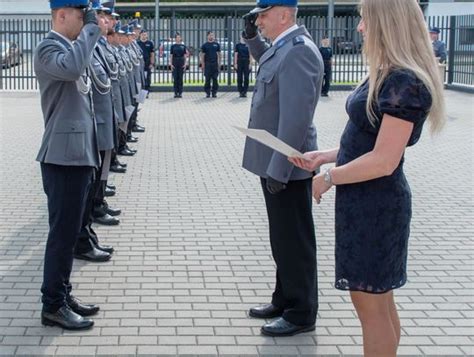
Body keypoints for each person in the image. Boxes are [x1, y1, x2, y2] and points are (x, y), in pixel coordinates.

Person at [290, 0, 445, 355]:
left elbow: (383, 160)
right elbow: (366, 139)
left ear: (387, 23)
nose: (360, 28)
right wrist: (326, 155)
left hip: (376, 204)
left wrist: (329, 177)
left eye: (364, 20)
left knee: (372, 307)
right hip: (365, 201)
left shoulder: (403, 81)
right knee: (379, 303)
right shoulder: (392, 73)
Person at [241, 0, 324, 337]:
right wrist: (251, 39)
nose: (258, 20)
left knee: (294, 239)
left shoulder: (300, 51)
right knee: (282, 236)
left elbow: (295, 119)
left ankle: (301, 311)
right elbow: (270, 62)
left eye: (262, 15)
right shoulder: (285, 47)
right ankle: (284, 298)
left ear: (284, 14)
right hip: (277, 160)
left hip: (287, 164)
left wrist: (279, 169)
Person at [34, 0, 102, 330]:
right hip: (61, 158)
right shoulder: (48, 48)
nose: (86, 22)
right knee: (61, 236)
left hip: (76, 155)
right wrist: (92, 29)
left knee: (69, 231)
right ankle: (52, 305)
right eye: (81, 16)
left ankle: (62, 293)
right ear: (62, 15)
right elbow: (73, 70)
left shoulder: (71, 48)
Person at [200, 31, 221, 98]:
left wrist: (219, 63)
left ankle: (214, 92)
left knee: (215, 79)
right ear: (207, 36)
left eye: (212, 35)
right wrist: (203, 64)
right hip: (207, 64)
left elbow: (219, 55)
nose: (211, 36)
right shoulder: (204, 45)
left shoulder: (217, 45)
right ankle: (208, 93)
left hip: (215, 64)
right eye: (210, 35)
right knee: (207, 79)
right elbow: (202, 55)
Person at [169, 33, 188, 98]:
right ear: (175, 39)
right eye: (177, 37)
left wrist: (185, 64)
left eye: (179, 37)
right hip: (175, 62)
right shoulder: (173, 46)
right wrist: (171, 64)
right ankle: (175, 92)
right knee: (175, 78)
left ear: (180, 38)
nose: (178, 39)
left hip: (181, 62)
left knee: (180, 78)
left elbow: (185, 56)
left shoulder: (183, 46)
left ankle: (180, 93)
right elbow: (171, 56)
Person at [234, 32, 251, 97]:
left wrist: (250, 63)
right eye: (242, 36)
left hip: (246, 61)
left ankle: (245, 91)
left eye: (244, 36)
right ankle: (240, 91)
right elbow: (236, 55)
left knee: (246, 77)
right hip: (239, 62)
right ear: (240, 36)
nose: (243, 37)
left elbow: (250, 54)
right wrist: (235, 63)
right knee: (239, 77)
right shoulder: (237, 45)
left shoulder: (248, 45)